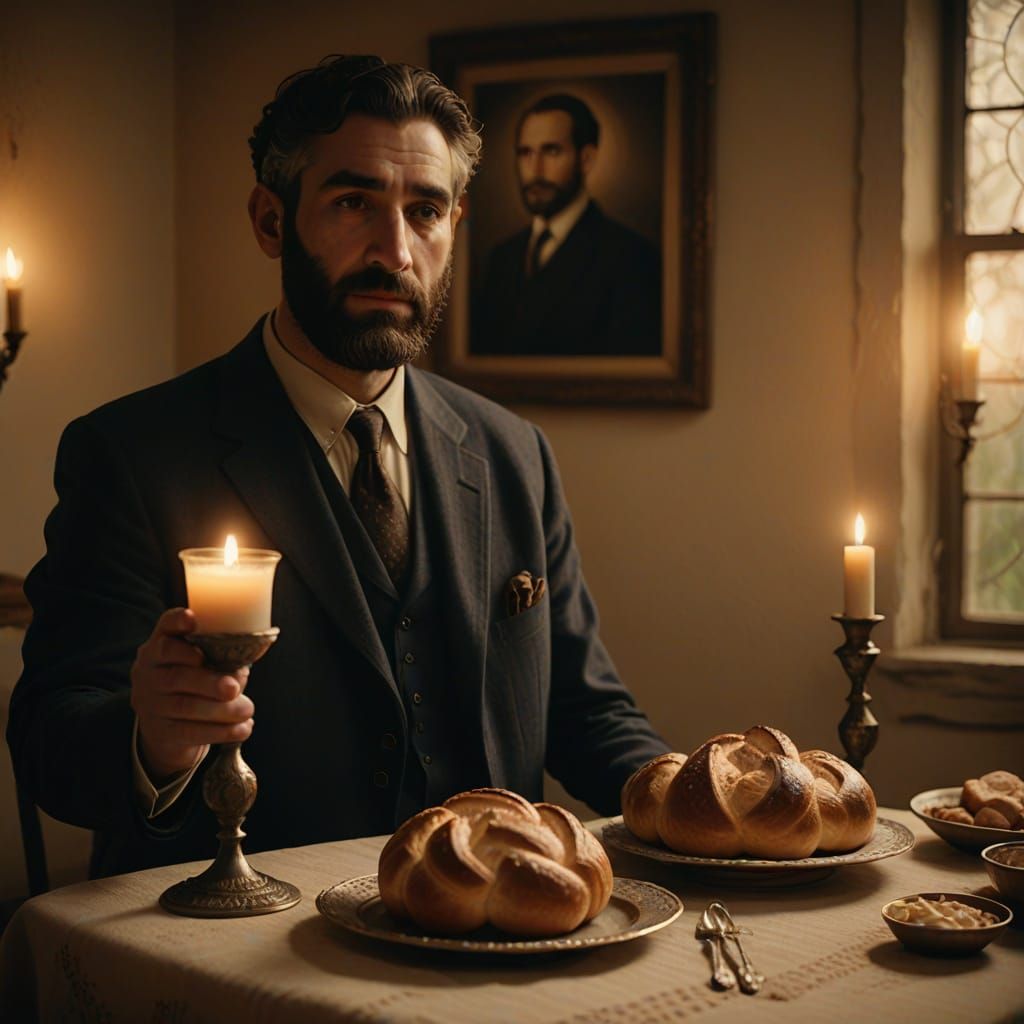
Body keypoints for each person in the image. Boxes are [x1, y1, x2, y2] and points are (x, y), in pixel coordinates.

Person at [8, 56, 668, 879]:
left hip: (482, 942)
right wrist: (153, 738)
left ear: (454, 224)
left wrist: (687, 800)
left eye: (424, 211)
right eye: (354, 202)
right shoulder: (134, 453)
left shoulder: (513, 453)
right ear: (270, 221)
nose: (394, 250)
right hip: (240, 953)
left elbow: (585, 709)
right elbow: (49, 745)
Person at [473, 93, 662, 357]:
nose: (535, 169)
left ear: (586, 159)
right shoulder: (502, 258)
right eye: (525, 152)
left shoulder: (631, 257)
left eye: (551, 151)